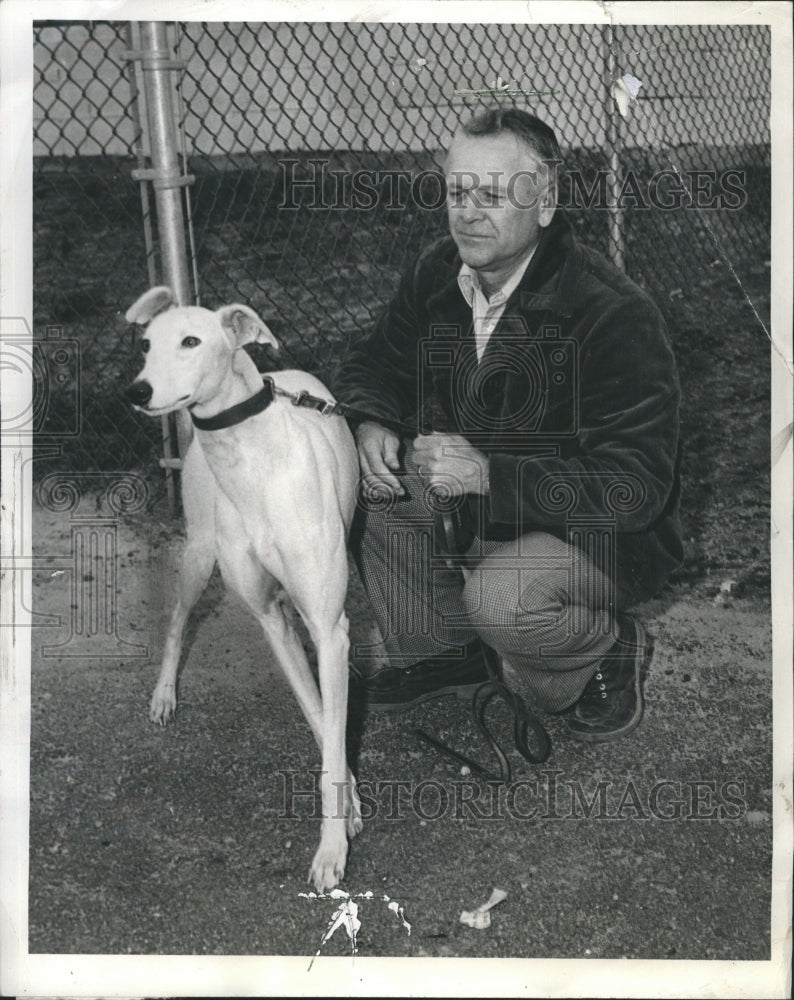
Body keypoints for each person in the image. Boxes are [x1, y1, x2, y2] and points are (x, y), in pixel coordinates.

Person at [332, 106, 682, 743]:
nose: (467, 212)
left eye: (491, 195)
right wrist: (370, 419)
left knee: (504, 604)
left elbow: (636, 485)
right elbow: (375, 361)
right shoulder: (439, 273)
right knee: (372, 486)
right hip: (483, 509)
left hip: (592, 536)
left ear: (544, 203)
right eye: (457, 191)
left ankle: (608, 650)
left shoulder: (612, 312)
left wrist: (491, 476)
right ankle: (447, 650)